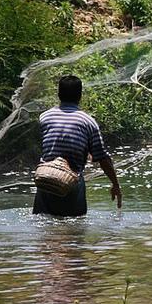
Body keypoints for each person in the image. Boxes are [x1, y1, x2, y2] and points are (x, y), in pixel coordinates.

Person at [33, 74, 122, 216]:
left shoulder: (45, 117)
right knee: (75, 230)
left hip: (45, 179)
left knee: (44, 226)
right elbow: (102, 158)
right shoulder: (88, 122)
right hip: (71, 182)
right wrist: (115, 185)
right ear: (80, 95)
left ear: (58, 94)